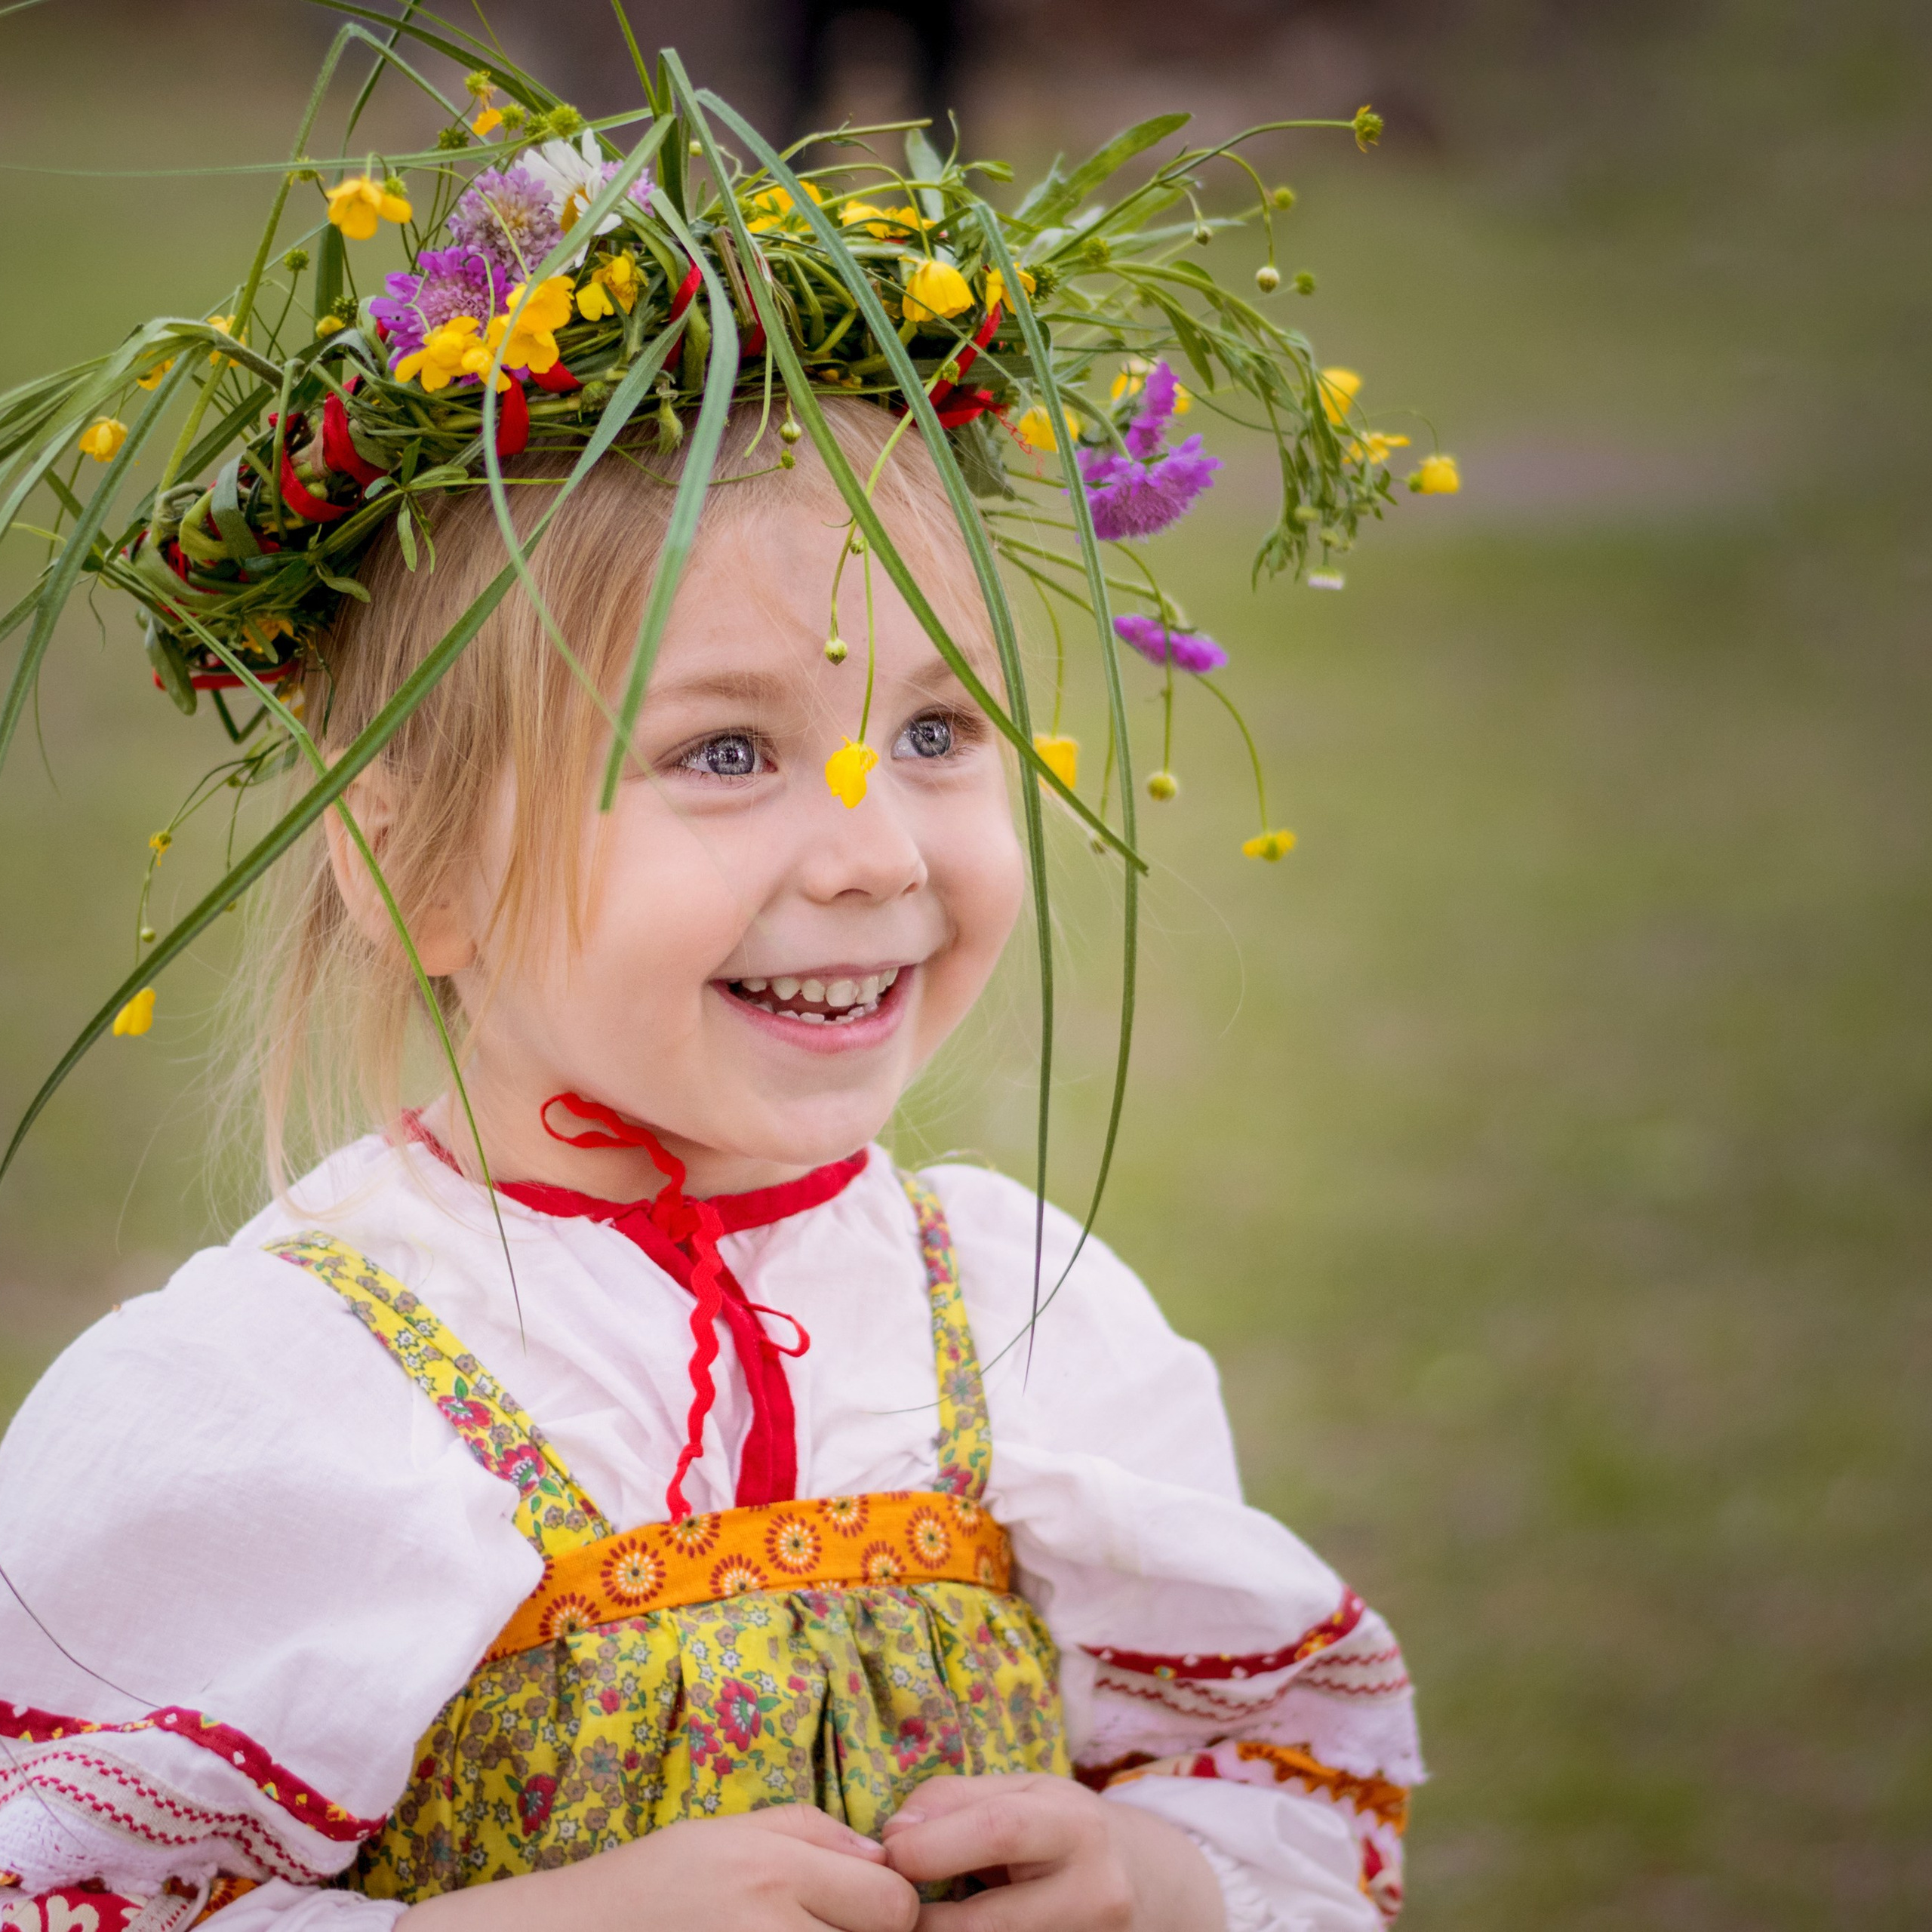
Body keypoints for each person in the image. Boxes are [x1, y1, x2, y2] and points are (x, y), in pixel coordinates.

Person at [0, 37, 1437, 1932]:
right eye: (726, 752)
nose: (872, 850)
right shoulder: (271, 1399)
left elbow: (1283, 1801)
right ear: (415, 864)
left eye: (934, 730)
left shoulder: (1032, 1326)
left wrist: (1149, 1877)